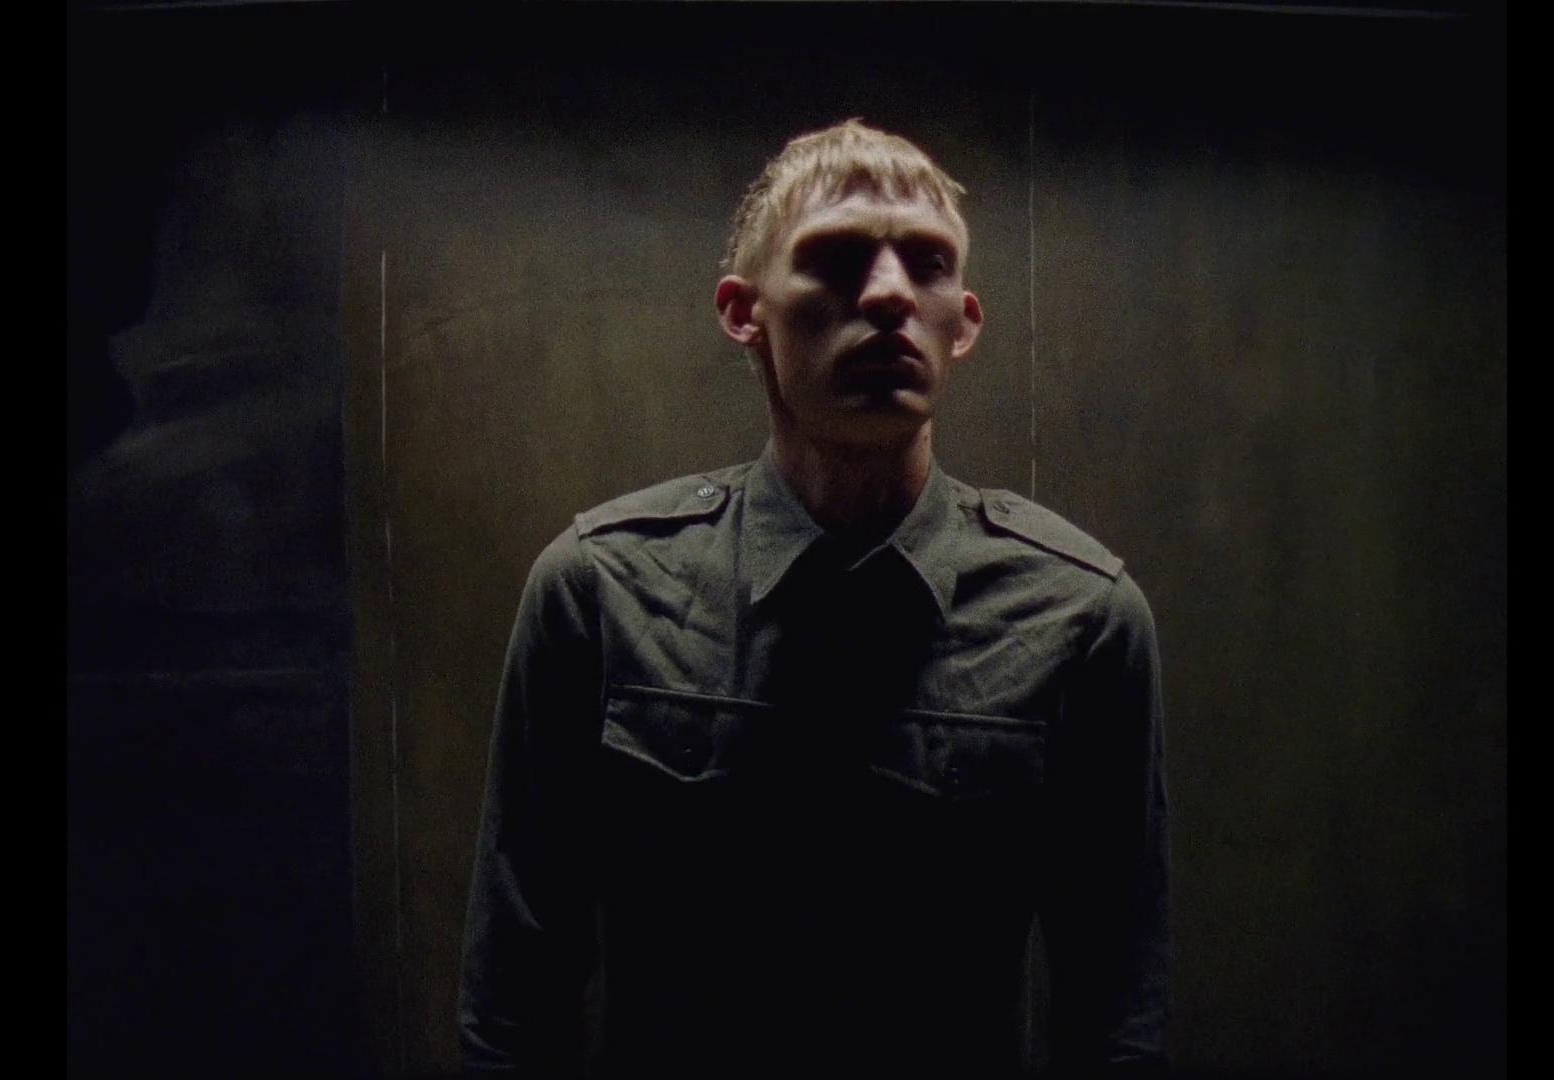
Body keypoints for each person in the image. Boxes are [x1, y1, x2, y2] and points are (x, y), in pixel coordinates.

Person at [457, 119, 1169, 1078]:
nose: (888, 295)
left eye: (927, 263)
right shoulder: (601, 590)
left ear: (964, 324)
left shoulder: (1079, 617)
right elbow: (513, 1004)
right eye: (836, 259)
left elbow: (1117, 1016)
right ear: (743, 312)